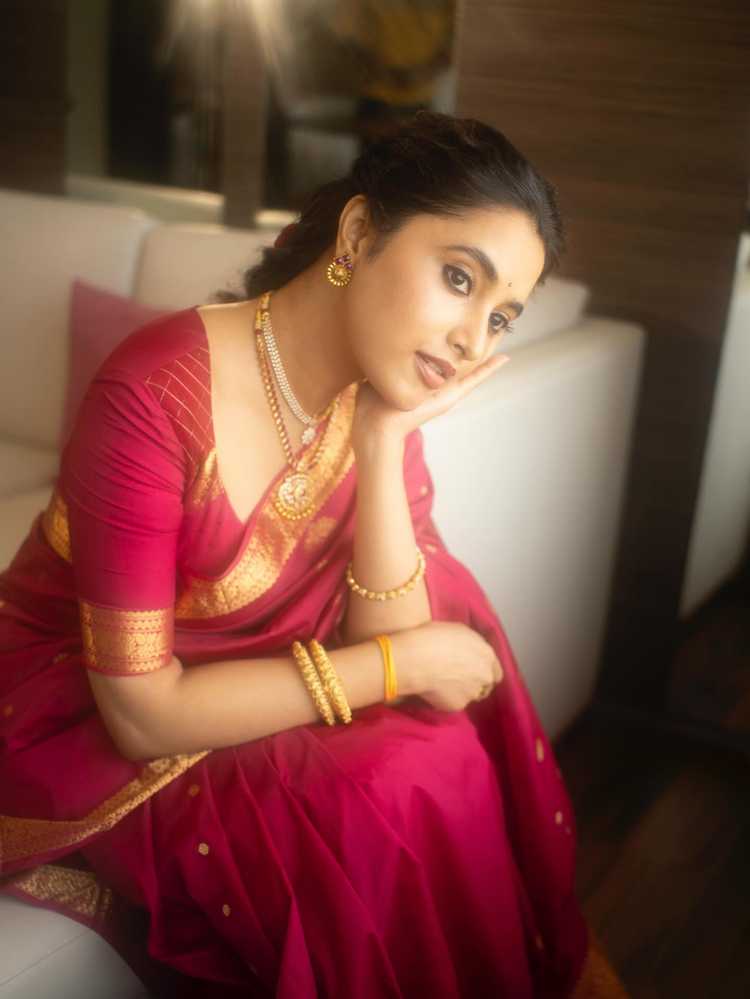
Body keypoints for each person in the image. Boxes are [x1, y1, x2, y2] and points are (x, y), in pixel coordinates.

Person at [0, 111, 629, 997]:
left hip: (236, 682)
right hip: (85, 703)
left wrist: (381, 440)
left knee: (432, 750)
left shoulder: (376, 384)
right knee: (378, 790)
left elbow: (384, 631)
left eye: (500, 317)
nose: (472, 340)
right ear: (360, 233)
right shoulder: (152, 395)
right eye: (458, 279)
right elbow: (140, 713)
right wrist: (405, 662)